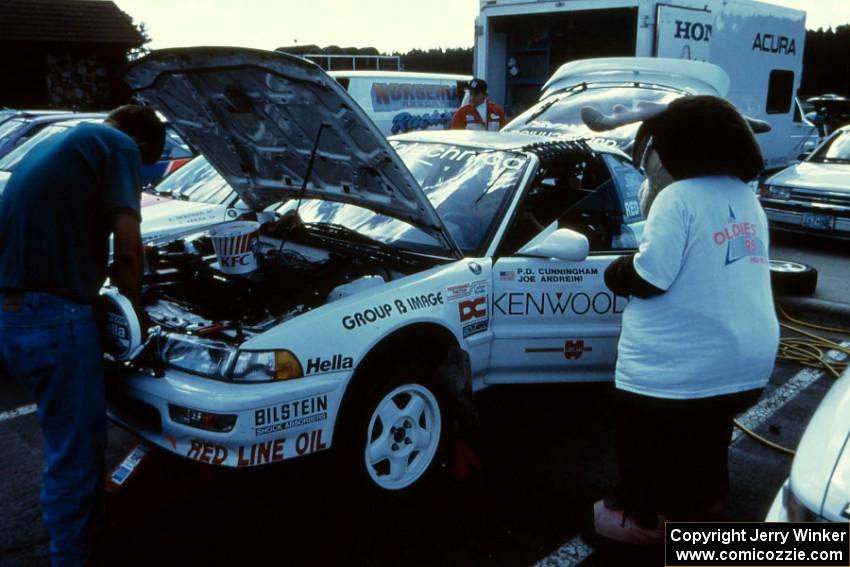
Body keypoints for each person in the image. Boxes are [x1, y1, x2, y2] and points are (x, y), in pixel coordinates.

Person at [594, 95, 779, 544]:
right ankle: (709, 500)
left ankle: (641, 518)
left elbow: (651, 275)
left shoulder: (676, 197)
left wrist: (615, 271)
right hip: (748, 359)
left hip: (675, 366)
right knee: (707, 430)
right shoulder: (745, 196)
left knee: (642, 433)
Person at [0, 105, 165, 565]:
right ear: (145, 145)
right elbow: (129, 246)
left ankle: (87, 534)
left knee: (64, 442)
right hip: (56, 318)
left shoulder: (59, 143)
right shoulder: (118, 146)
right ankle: (71, 556)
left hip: (12, 315)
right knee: (75, 456)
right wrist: (137, 316)